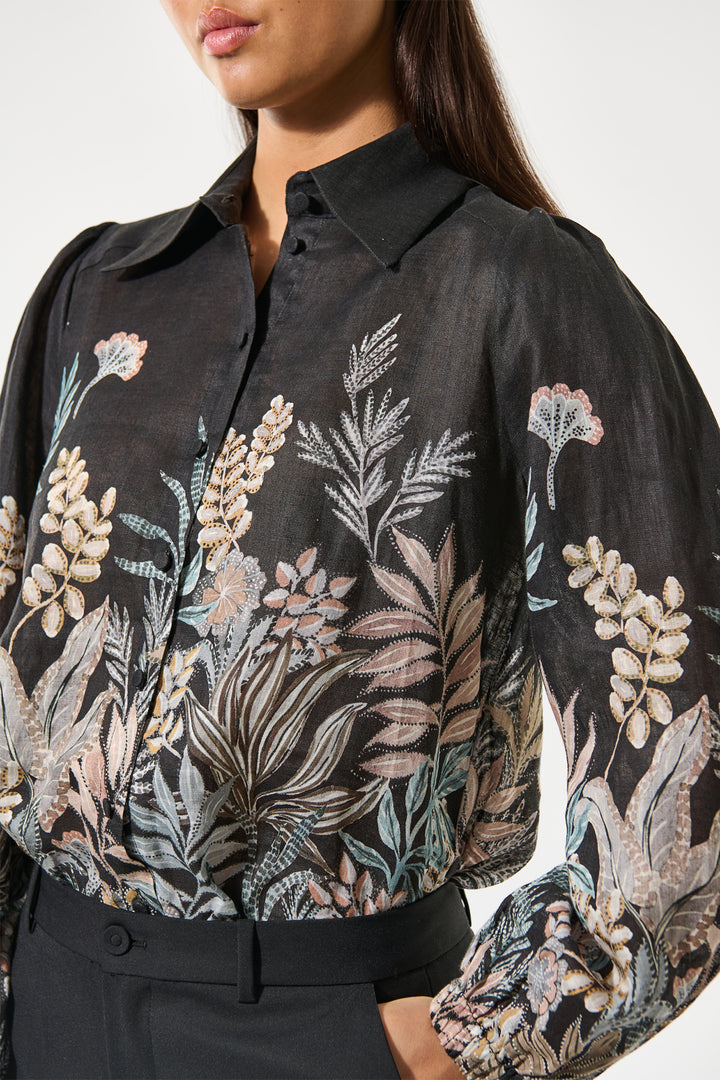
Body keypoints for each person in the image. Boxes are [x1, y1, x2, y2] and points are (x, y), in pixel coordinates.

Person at [0, 1, 718, 1078]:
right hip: (47, 1000)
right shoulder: (99, 290)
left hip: (323, 1029)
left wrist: (456, 1048)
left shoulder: (519, 288)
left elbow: (689, 764)